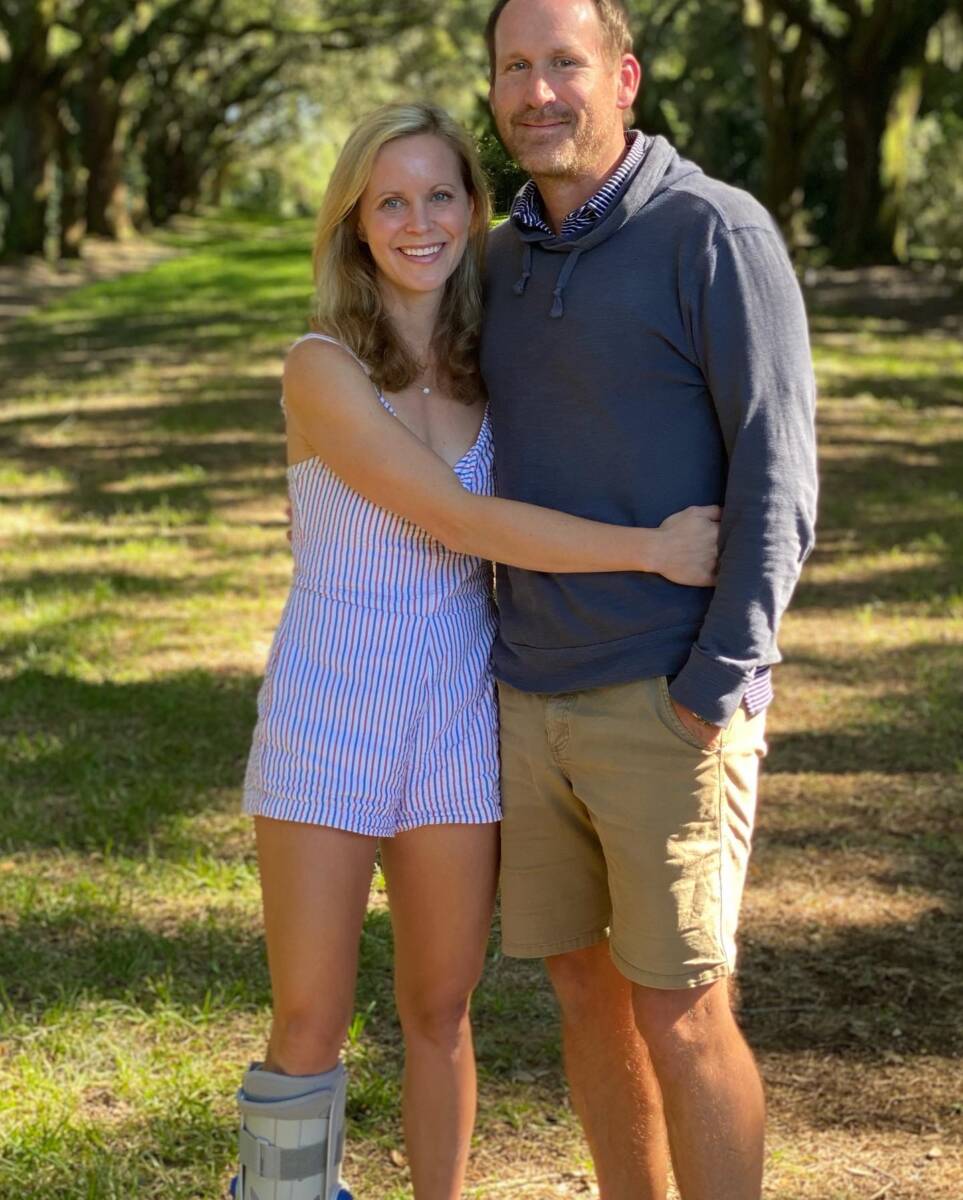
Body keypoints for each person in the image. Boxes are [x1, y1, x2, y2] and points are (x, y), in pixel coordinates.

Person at [232, 101, 720, 1200]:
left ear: (473, 207)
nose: (418, 220)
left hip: (457, 708)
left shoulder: (488, 361)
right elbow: (458, 521)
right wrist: (651, 550)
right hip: (331, 705)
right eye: (389, 201)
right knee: (310, 1014)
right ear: (355, 223)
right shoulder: (318, 367)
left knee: (440, 1011)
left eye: (440, 194)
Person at [481, 2, 818, 1199]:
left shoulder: (716, 231)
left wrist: (715, 686)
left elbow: (780, 474)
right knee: (583, 991)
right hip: (528, 695)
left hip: (667, 699)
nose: (539, 93)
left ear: (622, 76)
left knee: (684, 1009)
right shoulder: (500, 260)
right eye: (515, 68)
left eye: (564, 64)